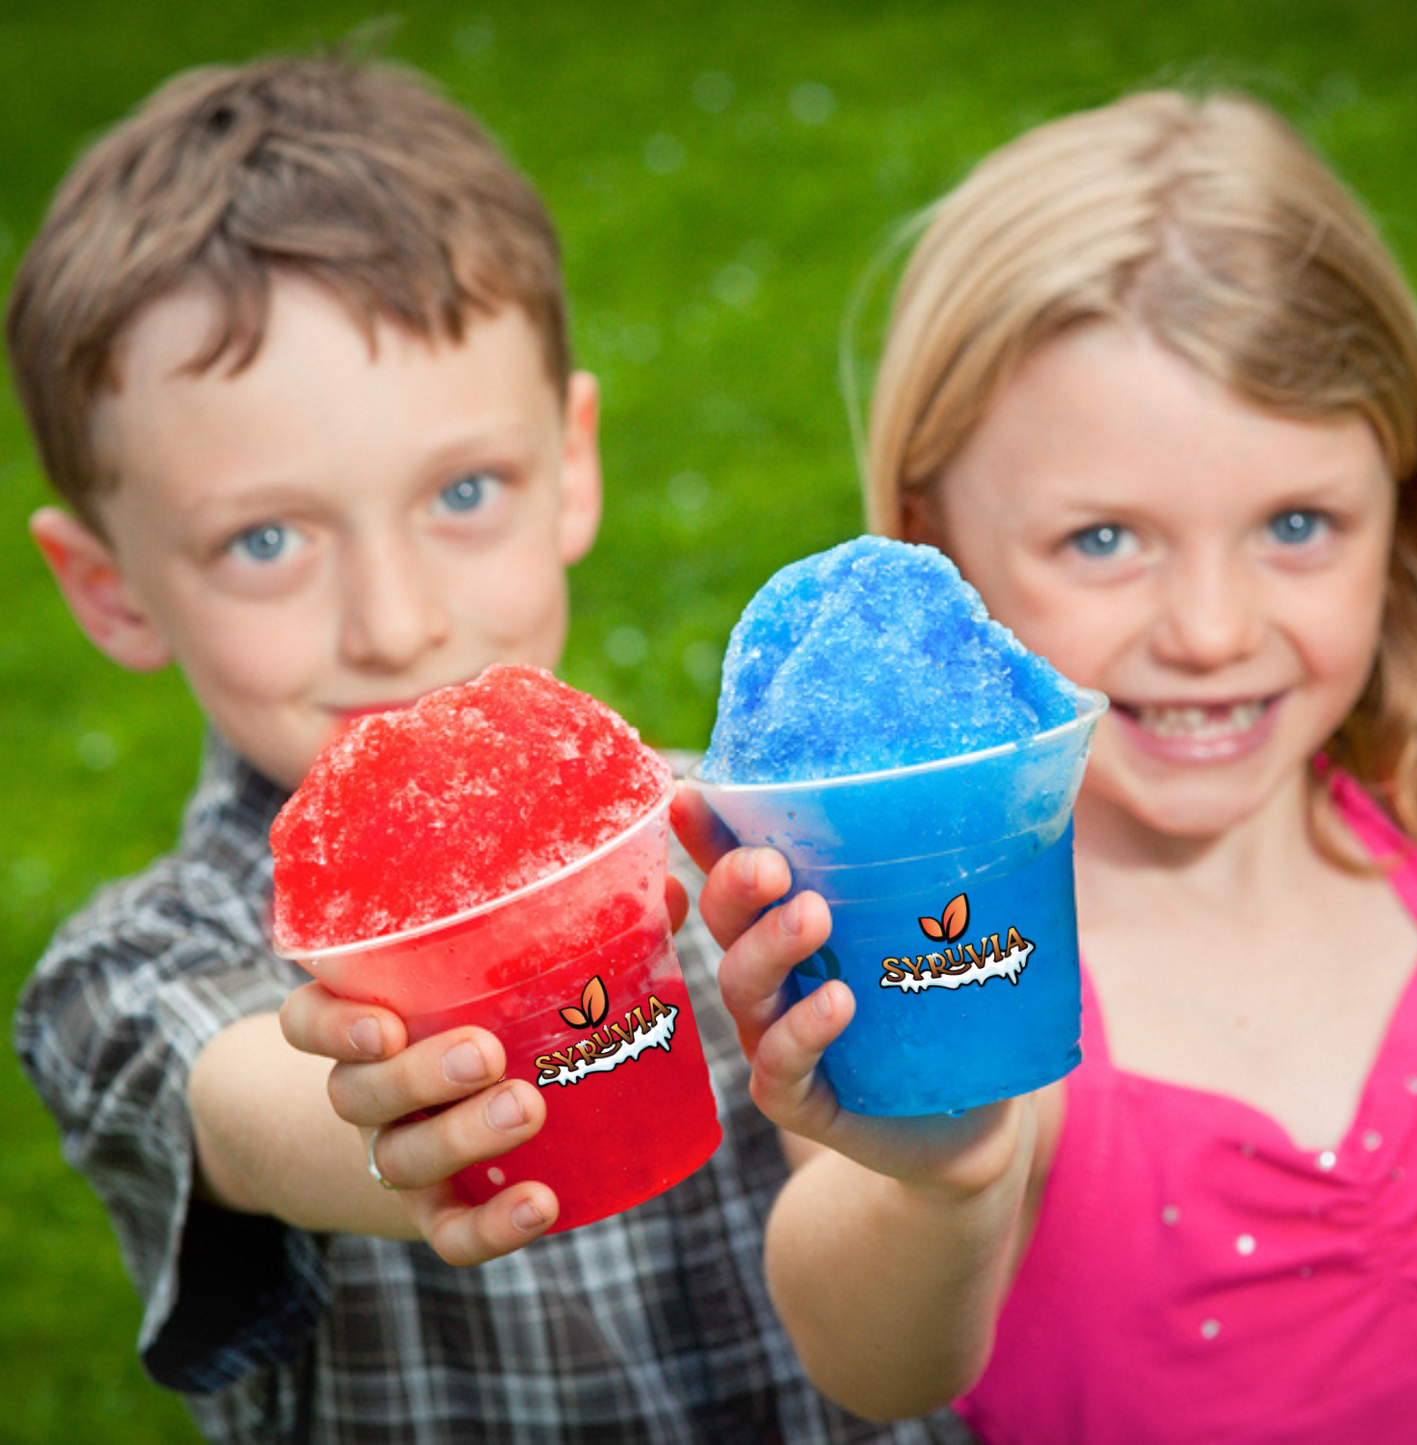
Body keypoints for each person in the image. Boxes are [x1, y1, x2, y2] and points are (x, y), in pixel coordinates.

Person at [8, 53, 967, 1444]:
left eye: (464, 491)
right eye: (265, 540)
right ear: (109, 589)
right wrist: (388, 1106)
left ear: (571, 464)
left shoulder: (748, 837)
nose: (399, 625)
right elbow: (242, 1095)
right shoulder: (127, 970)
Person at [671, 88, 1417, 1442]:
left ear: (1403, 505)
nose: (1211, 631)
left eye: (1300, 523)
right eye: (1104, 540)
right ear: (933, 551)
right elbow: (874, 1361)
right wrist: (949, 1181)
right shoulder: (937, 932)